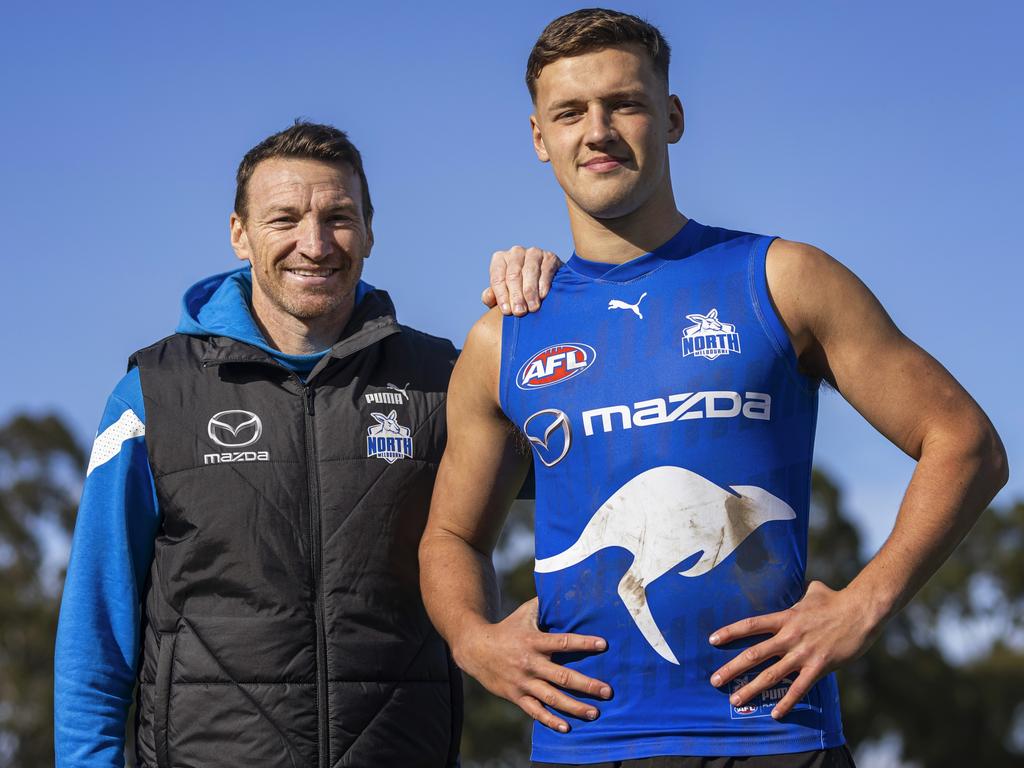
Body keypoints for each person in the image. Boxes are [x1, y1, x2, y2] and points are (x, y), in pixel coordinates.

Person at [419, 9, 1008, 768]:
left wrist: (866, 603)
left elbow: (965, 444)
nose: (597, 130)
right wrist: (476, 639)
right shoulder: (505, 336)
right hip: (586, 742)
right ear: (540, 137)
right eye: (569, 112)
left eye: (624, 103)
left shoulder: (784, 279)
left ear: (671, 117)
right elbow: (451, 536)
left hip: (777, 734)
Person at [54, 121, 560, 768]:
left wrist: (559, 309)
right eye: (284, 218)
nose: (314, 244)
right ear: (239, 233)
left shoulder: (442, 382)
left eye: (339, 217)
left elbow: (594, 449)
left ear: (371, 231)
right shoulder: (151, 396)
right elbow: (96, 625)